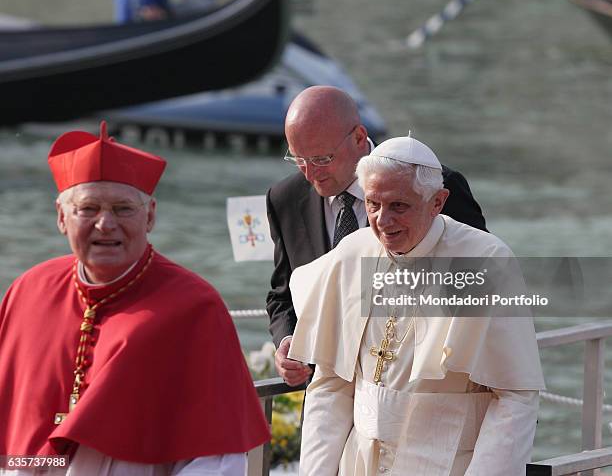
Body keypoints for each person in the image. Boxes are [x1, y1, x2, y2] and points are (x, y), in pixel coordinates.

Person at [0, 122, 268, 475]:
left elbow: (216, 458)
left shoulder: (194, 306)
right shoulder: (28, 290)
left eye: (123, 209)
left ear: (151, 215)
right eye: (88, 209)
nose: (105, 224)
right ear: (62, 218)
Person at [288, 135, 545, 475]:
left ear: (437, 201)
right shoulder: (352, 253)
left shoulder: (484, 261)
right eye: (372, 204)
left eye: (399, 206)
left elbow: (515, 398)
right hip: (361, 462)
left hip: (448, 463)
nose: (382, 220)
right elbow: (331, 384)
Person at [265, 85, 488, 386]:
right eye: (298, 159)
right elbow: (282, 294)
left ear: (359, 138)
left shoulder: (432, 184)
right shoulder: (285, 199)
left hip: (419, 388)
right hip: (329, 391)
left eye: (321, 159)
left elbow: (482, 282)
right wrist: (289, 339)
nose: (309, 173)